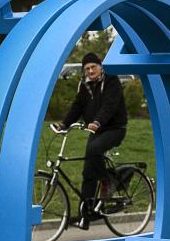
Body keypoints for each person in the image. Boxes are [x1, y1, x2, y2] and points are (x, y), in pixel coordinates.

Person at [55, 52, 128, 229]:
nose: (90, 70)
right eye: (86, 68)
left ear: (100, 66)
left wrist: (97, 121)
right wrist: (64, 124)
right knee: (88, 173)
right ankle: (86, 216)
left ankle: (109, 180)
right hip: (96, 130)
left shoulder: (111, 81)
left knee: (94, 150)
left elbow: (109, 105)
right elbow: (77, 106)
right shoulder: (84, 85)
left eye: (93, 67)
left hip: (115, 129)